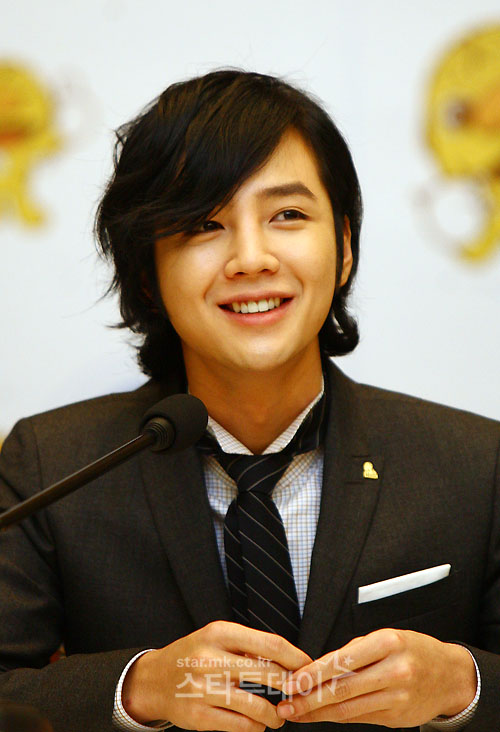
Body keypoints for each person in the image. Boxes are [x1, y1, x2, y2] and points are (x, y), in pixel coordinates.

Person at [0, 69, 499, 732]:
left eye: (287, 215)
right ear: (147, 274)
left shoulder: (475, 464)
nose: (251, 258)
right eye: (204, 224)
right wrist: (135, 688)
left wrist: (463, 685)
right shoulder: (49, 465)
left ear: (344, 247)